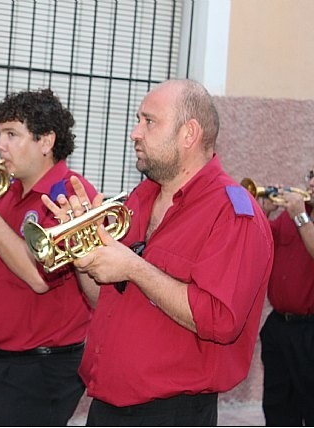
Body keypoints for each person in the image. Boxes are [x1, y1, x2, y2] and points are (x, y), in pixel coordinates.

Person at [43, 79, 274, 426]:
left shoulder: (234, 213)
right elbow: (104, 301)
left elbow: (220, 320)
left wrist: (135, 268)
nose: (135, 132)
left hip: (172, 413)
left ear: (189, 134)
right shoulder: (139, 198)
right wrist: (84, 257)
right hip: (108, 405)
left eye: (149, 121)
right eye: (138, 120)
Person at [0, 89, 95, 426]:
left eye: (12, 134)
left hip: (42, 368)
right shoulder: (9, 194)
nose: (0, 145)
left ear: (46, 141)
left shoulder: (68, 196)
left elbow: (39, 278)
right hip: (0, 362)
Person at [259, 170, 314, 426]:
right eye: (311, 176)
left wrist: (300, 217)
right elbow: (260, 245)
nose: (311, 183)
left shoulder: (298, 215)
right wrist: (265, 211)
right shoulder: (289, 217)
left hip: (309, 332)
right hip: (280, 327)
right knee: (277, 408)